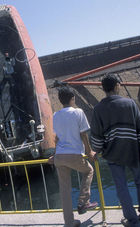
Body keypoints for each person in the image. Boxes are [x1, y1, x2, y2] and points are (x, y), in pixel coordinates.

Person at [90, 74, 140, 227]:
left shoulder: (98, 109)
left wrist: (97, 149)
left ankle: (132, 221)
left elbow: (96, 137)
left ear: (103, 89)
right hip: (133, 151)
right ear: (117, 85)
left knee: (121, 187)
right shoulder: (130, 104)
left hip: (112, 154)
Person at [49, 87, 97, 227]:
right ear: (72, 98)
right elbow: (83, 134)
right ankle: (83, 202)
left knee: (65, 191)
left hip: (59, 157)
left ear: (60, 100)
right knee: (89, 171)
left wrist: (54, 155)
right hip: (74, 154)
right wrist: (89, 152)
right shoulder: (78, 112)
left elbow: (57, 138)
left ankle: (69, 222)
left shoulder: (56, 115)